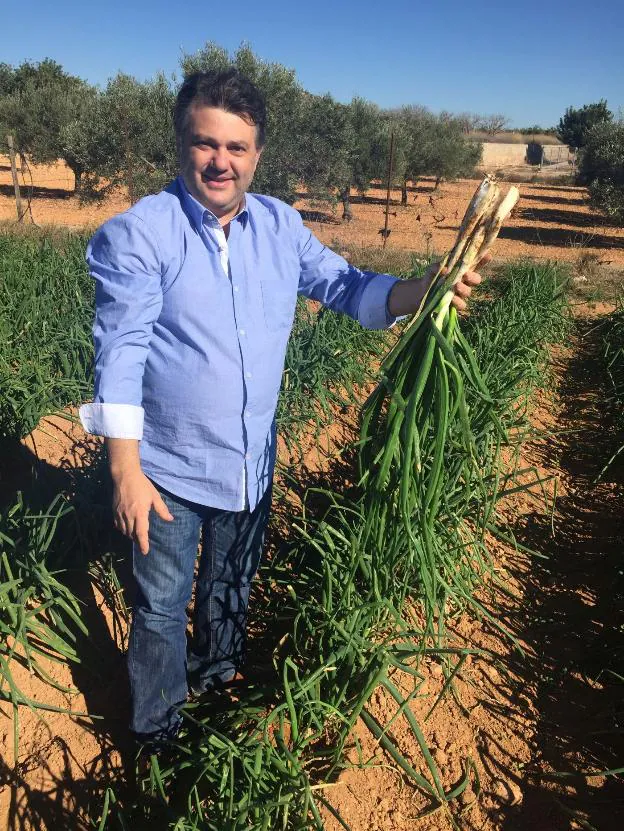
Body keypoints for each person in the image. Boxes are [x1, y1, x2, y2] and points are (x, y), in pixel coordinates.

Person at [79, 68, 484, 746]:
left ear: (257, 154)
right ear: (181, 145)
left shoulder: (280, 225)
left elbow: (347, 286)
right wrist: (125, 470)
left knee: (229, 587)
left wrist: (425, 289)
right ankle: (157, 732)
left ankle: (215, 676)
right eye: (206, 144)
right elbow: (119, 354)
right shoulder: (141, 233)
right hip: (168, 472)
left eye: (236, 148)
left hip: (249, 464)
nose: (220, 161)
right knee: (158, 608)